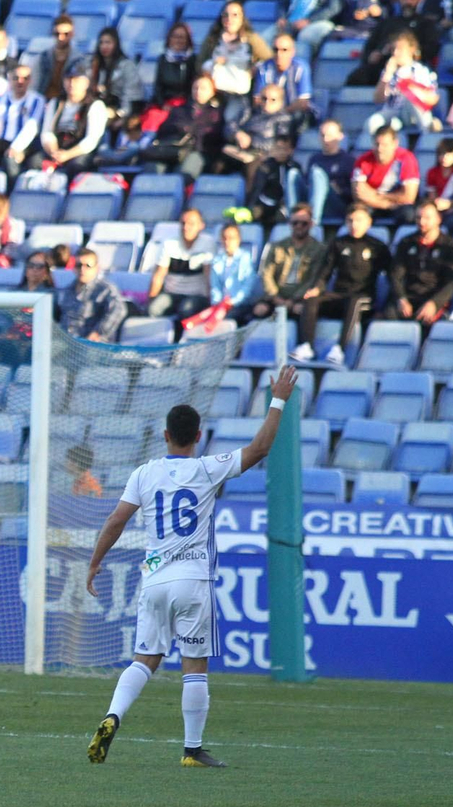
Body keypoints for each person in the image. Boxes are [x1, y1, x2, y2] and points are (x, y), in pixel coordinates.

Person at [85, 366, 298, 769]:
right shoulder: (207, 468)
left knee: (144, 659)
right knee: (194, 665)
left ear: (165, 435)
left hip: (154, 581)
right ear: (198, 436)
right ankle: (192, 750)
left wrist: (95, 564)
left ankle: (113, 715)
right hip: (193, 580)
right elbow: (260, 449)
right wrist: (278, 399)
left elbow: (116, 520)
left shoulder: (144, 473)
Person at [291, 205, 393, 365]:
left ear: (369, 223)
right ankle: (307, 346)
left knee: (355, 301)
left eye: (359, 220)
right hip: (339, 295)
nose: (354, 225)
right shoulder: (338, 243)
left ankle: (340, 349)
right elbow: (326, 272)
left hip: (364, 298)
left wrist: (385, 306)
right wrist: (317, 288)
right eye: (350, 220)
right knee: (312, 300)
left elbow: (391, 277)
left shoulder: (377, 247)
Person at [386, 198, 453, 326]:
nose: (422, 222)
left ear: (438, 219)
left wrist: (434, 303)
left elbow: (451, 283)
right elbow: (395, 275)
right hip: (409, 296)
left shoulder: (449, 246)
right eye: (418, 218)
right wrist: (401, 299)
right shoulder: (406, 242)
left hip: (433, 297)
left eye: (427, 218)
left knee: (426, 320)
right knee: (389, 317)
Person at [0, 61, 44, 181]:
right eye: (16, 78)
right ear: (10, 79)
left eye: (25, 78)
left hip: (25, 148)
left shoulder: (37, 100)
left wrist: (17, 147)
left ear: (30, 80)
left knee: (10, 162)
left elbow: (32, 127)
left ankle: (9, 197)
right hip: (0, 145)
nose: (20, 82)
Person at [253, 202, 323, 320]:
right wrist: (275, 297)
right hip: (276, 295)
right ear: (290, 224)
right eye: (295, 223)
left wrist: (293, 300)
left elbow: (313, 279)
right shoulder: (277, 246)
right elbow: (266, 274)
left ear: (311, 224)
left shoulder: (319, 249)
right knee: (259, 310)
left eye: (304, 223)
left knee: (301, 310)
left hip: (301, 298)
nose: (299, 226)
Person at [146, 208, 215, 320]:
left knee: (186, 309)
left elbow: (209, 276)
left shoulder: (208, 243)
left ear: (201, 226)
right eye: (183, 223)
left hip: (196, 295)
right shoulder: (169, 243)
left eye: (191, 224)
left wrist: (211, 302)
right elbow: (159, 275)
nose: (186, 228)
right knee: (153, 309)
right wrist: (151, 299)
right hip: (172, 294)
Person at [36, 69, 108, 176]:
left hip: (79, 150)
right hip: (56, 147)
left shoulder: (96, 105)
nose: (72, 84)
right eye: (69, 80)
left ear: (86, 83)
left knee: (77, 166)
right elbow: (47, 132)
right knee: (34, 162)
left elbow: (91, 140)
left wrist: (68, 154)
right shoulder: (56, 103)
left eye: (77, 80)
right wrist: (54, 152)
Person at [353, 124, 420, 226]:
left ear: (395, 144)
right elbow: (358, 194)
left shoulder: (406, 159)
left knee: (408, 214)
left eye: (384, 145)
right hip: (375, 205)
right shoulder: (363, 160)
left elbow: (408, 196)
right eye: (377, 144)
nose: (380, 149)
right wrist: (387, 205)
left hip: (397, 206)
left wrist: (376, 195)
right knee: (358, 214)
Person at [60, 249, 129, 343]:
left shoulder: (105, 290)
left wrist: (98, 333)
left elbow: (119, 310)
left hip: (91, 346)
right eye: (78, 265)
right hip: (64, 343)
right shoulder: (67, 290)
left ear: (97, 268)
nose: (82, 269)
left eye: (88, 266)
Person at [254, 32, 315, 126]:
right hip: (268, 113)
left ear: (292, 52)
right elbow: (257, 99)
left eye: (284, 50)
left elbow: (303, 101)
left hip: (293, 114)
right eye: (275, 49)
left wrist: (281, 113)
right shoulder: (263, 68)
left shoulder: (301, 68)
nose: (279, 54)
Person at [90, 27, 143, 129]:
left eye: (108, 42)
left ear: (116, 44)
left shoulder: (127, 66)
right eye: (101, 43)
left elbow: (130, 94)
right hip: (100, 106)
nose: (104, 46)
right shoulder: (96, 65)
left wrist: (122, 115)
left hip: (120, 108)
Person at [208, 223, 259, 325]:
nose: (227, 242)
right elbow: (215, 286)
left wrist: (233, 301)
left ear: (238, 239)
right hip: (221, 304)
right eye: (224, 238)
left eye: (231, 238)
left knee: (226, 318)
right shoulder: (217, 260)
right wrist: (217, 303)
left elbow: (247, 286)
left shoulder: (245, 258)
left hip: (240, 304)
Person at [35, 15, 79, 99]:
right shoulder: (44, 57)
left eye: (66, 34)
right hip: (43, 99)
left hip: (64, 103)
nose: (60, 37)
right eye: (57, 34)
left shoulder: (78, 59)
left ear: (72, 34)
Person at [154, 22, 198, 106]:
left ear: (188, 40)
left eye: (182, 37)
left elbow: (193, 87)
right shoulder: (162, 59)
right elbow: (158, 87)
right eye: (174, 36)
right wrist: (163, 104)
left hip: (185, 105)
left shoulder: (193, 60)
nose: (178, 40)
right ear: (169, 39)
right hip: (165, 104)